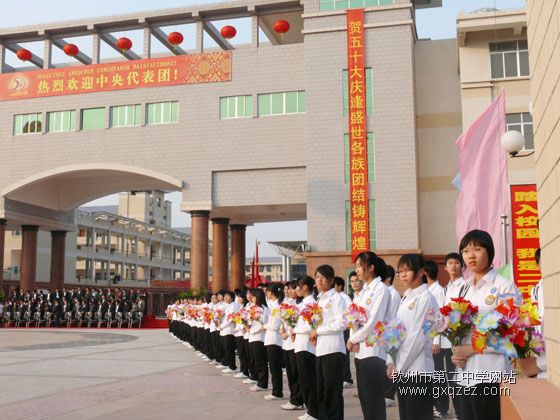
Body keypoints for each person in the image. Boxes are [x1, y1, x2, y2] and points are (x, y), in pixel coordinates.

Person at [451, 230, 521, 420]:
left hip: (491, 376)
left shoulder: (504, 287)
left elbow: (511, 339)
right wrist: (457, 353)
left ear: (489, 251)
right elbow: (459, 329)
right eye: (465, 251)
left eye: (477, 249)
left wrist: (471, 349)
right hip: (464, 376)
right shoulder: (464, 288)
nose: (470, 255)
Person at [387, 254, 439, 420]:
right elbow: (395, 332)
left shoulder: (426, 299)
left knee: (418, 415)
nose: (402, 275)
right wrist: (390, 361)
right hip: (403, 370)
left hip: (418, 372)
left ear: (421, 271)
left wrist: (398, 367)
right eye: (399, 271)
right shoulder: (406, 298)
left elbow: (418, 338)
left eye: (407, 270)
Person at [347, 251, 391, 420]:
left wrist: (353, 339)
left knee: (373, 399)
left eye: (360, 265)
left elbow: (374, 321)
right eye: (356, 265)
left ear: (371, 267)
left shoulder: (381, 290)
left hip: (373, 350)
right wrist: (354, 338)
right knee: (365, 397)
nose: (357, 269)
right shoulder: (363, 291)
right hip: (360, 351)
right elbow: (353, 317)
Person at [311, 265, 346, 420]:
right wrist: (315, 334)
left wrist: (318, 331)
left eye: (323, 277)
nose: (319, 280)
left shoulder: (337, 298)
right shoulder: (319, 300)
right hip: (320, 349)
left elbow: (341, 324)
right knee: (322, 390)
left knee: (333, 391)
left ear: (331, 280)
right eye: (317, 276)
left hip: (333, 349)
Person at [440, 252, 465, 418]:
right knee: (451, 378)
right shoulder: (445, 288)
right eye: (450, 263)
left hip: (461, 340)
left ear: (462, 266)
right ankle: (457, 412)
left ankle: (462, 412)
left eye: (457, 262)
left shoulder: (466, 286)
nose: (453, 265)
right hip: (447, 340)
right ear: (445, 267)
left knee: (462, 378)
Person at [424, 260, 448, 419]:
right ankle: (435, 405)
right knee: (434, 374)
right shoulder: (429, 290)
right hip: (429, 339)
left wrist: (436, 341)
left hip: (435, 341)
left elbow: (438, 319)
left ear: (424, 273)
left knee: (439, 375)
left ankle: (442, 407)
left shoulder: (437, 291)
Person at [294, 276, 319, 420]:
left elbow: (310, 326)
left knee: (309, 380)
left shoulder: (311, 304)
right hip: (300, 345)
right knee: (304, 379)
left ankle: (313, 412)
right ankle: (311, 410)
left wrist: (295, 329)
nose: (296, 289)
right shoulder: (303, 303)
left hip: (307, 347)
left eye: (298, 286)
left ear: (305, 287)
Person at [280, 280, 304, 411]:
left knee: (296, 373)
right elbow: (285, 320)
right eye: (288, 289)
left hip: (295, 342)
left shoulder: (300, 304)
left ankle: (298, 400)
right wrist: (282, 329)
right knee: (291, 373)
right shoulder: (287, 303)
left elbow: (297, 325)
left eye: (292, 289)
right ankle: (294, 398)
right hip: (287, 342)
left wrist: (288, 334)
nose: (289, 291)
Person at [383, 264, 401, 407]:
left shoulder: (393, 294)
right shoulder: (385, 292)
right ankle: (387, 392)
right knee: (387, 363)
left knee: (393, 362)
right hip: (384, 332)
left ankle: (390, 394)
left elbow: (392, 315)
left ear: (388, 277)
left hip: (391, 332)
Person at [263, 283, 285, 400]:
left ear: (271, 292)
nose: (266, 293)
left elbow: (275, 325)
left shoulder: (277, 306)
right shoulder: (274, 305)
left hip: (274, 340)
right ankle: (276, 390)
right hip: (271, 339)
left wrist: (265, 326)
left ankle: (277, 392)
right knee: (273, 367)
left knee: (275, 368)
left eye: (267, 291)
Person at [247, 287, 270, 392]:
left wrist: (250, 330)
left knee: (261, 362)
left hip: (259, 338)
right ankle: (259, 381)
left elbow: (263, 325)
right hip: (253, 337)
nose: (251, 298)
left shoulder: (263, 309)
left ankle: (262, 383)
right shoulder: (254, 308)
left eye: (253, 296)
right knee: (257, 361)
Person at [334, 276, 353, 389]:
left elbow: (350, 312)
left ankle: (347, 378)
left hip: (344, 328)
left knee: (345, 354)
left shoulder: (345, 298)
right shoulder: (334, 297)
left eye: (335, 285)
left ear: (340, 286)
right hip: (338, 328)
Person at [220, 291, 239, 374]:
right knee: (226, 348)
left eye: (227, 297)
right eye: (225, 297)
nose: (225, 298)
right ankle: (228, 364)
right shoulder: (227, 305)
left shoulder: (233, 306)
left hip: (229, 330)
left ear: (232, 298)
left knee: (229, 349)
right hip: (225, 329)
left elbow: (230, 319)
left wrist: (222, 326)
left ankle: (232, 366)